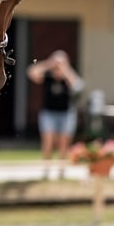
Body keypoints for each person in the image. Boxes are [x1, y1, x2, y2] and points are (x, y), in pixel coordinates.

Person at [27, 50, 84, 178]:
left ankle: (61, 170)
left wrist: (66, 69)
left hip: (66, 113)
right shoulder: (47, 75)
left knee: (64, 142)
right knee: (48, 140)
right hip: (48, 113)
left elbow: (78, 86)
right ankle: (46, 169)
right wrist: (48, 64)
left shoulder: (68, 76)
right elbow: (31, 72)